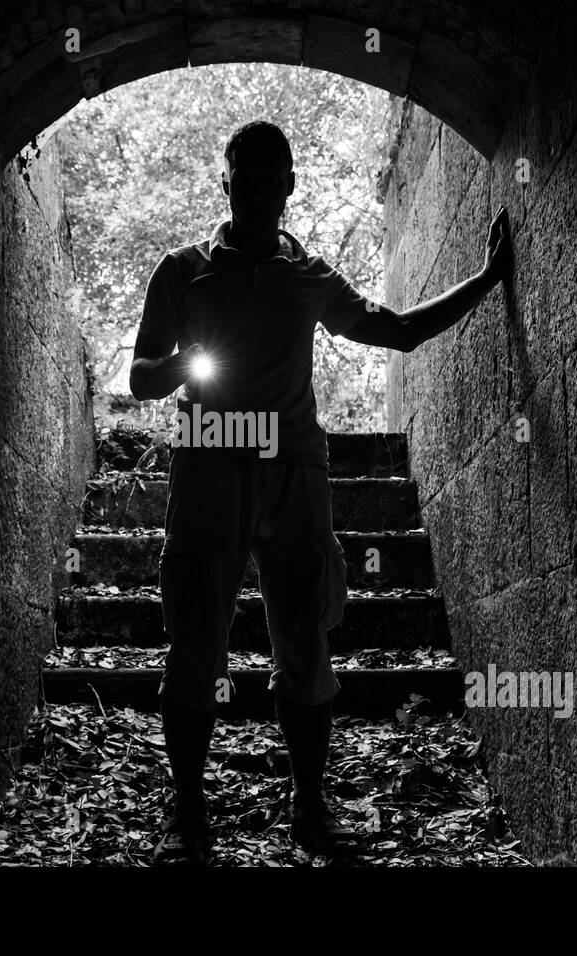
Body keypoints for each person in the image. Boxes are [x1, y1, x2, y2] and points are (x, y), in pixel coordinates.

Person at [129, 120, 510, 865]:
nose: (263, 189)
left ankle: (309, 804)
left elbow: (397, 330)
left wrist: (488, 281)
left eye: (277, 177)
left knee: (304, 640)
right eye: (248, 175)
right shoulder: (182, 269)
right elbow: (142, 376)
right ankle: (190, 808)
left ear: (291, 186)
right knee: (196, 643)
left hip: (294, 467)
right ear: (226, 181)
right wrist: (188, 365)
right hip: (212, 461)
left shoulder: (311, 276)